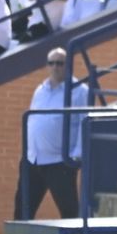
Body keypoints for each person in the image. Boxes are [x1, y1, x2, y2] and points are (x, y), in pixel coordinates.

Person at [19, 48, 89, 220]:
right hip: (33, 159)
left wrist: (76, 155)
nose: (55, 67)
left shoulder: (80, 91)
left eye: (60, 63)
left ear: (68, 65)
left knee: (69, 211)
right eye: (51, 63)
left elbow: (84, 122)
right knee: (22, 209)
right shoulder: (40, 89)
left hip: (60, 161)